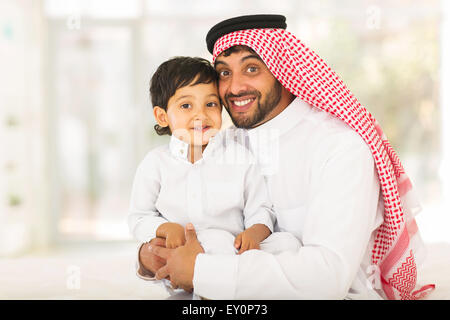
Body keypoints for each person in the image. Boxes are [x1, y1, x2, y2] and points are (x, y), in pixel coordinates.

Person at [143, 15, 434, 300]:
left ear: (282, 70)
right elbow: (193, 222)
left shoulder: (339, 147)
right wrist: (150, 256)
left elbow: (328, 278)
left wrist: (202, 271)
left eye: (252, 69)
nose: (234, 87)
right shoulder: (225, 143)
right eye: (224, 73)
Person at [128, 56, 300, 295]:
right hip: (183, 252)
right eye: (186, 106)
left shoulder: (240, 157)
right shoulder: (155, 164)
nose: (201, 115)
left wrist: (255, 230)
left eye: (210, 104)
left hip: (233, 252)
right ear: (162, 117)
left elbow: (261, 208)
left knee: (288, 244)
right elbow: (138, 217)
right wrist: (164, 227)